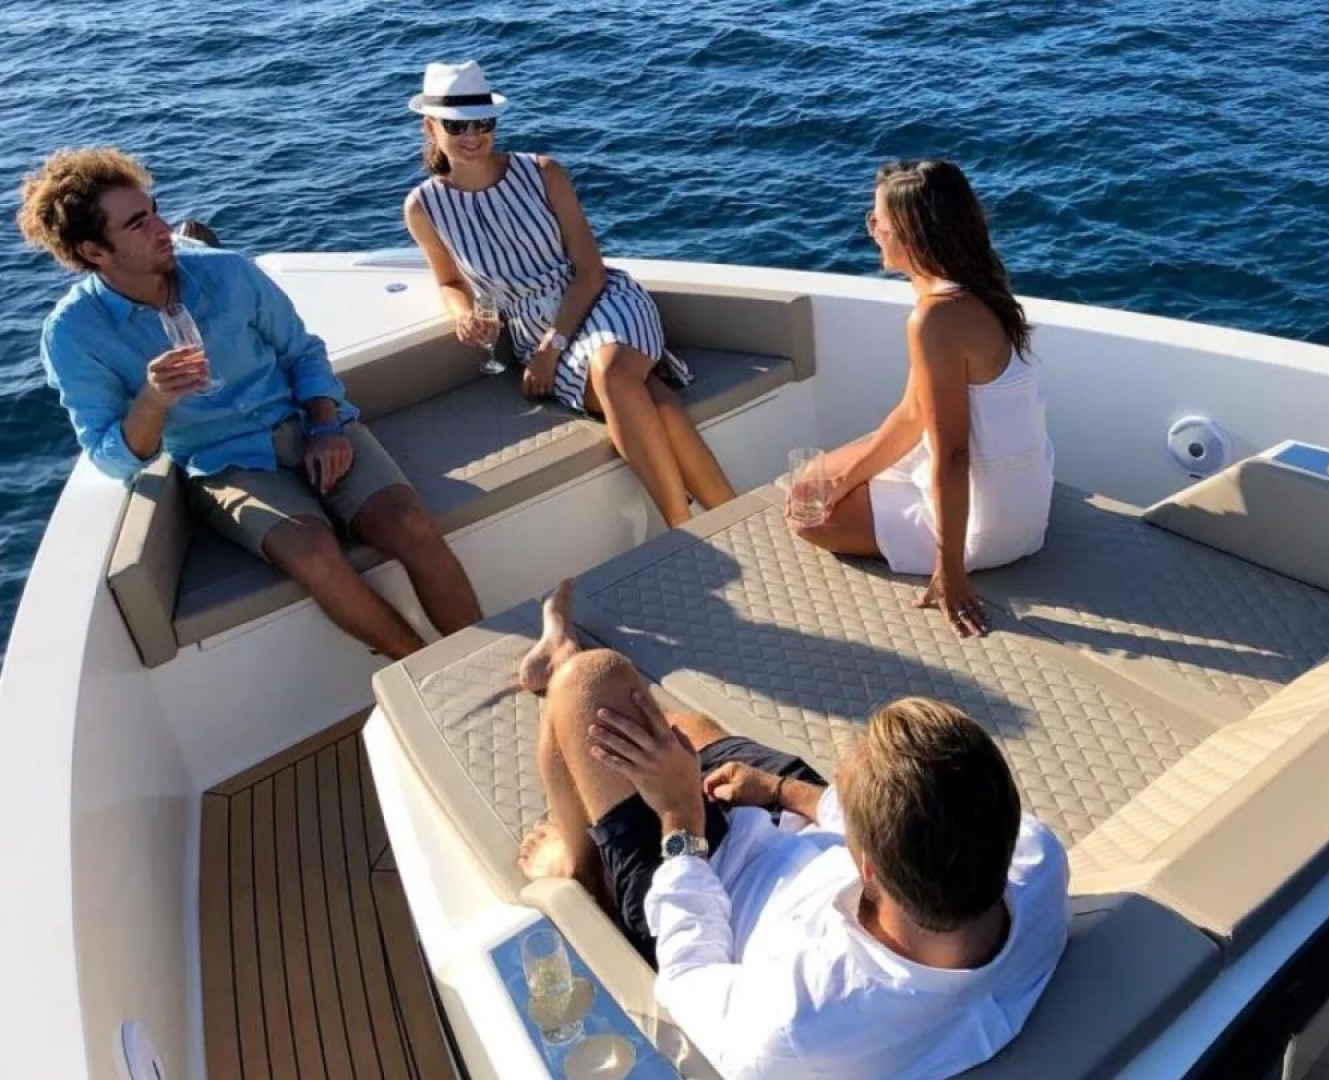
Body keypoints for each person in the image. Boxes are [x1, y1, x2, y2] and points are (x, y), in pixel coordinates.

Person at [515, 580, 1069, 1080]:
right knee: (687, 730)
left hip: (708, 876)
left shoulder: (795, 1025)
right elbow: (918, 819)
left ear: (867, 868)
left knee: (586, 688)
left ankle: (585, 870)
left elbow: (687, 976)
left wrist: (680, 813)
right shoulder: (1037, 862)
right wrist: (779, 790)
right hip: (792, 830)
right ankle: (565, 665)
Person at [18, 147, 482, 659]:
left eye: (154, 211)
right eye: (137, 224)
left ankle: (484, 658)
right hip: (225, 463)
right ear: (94, 250)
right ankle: (424, 670)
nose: (163, 228)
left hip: (306, 421)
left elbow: (303, 352)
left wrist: (326, 428)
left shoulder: (227, 273)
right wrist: (153, 400)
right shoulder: (72, 334)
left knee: (410, 524)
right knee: (314, 555)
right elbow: (111, 457)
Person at [401, 61, 736, 529]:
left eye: (484, 123)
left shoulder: (543, 173)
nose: (473, 135)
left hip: (602, 302)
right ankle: (731, 518)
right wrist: (462, 314)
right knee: (647, 396)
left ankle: (680, 528)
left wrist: (551, 350)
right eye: (457, 126)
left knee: (613, 372)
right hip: (533, 332)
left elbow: (590, 270)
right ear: (430, 127)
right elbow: (449, 283)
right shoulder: (424, 207)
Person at [791, 159, 1053, 639]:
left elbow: (954, 454)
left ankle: (945, 547)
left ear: (913, 235)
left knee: (808, 520)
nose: (873, 231)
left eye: (878, 222)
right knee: (814, 481)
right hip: (1026, 503)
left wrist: (948, 570)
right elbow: (914, 413)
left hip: (990, 524)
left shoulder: (934, 319)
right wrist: (845, 479)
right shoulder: (979, 291)